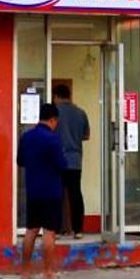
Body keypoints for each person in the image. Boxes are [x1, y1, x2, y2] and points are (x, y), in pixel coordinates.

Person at [17, 104, 66, 279]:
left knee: (31, 230)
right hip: (51, 191)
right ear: (53, 119)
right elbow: (61, 164)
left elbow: (20, 161)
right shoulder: (53, 139)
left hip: (33, 191)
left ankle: (25, 272)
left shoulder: (26, 137)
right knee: (49, 232)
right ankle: (48, 274)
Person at [52, 82, 91, 238]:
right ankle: (78, 230)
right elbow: (87, 135)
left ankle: (55, 230)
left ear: (56, 96)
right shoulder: (81, 113)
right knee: (75, 195)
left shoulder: (54, 112)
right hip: (75, 160)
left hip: (58, 160)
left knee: (56, 194)